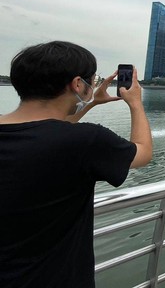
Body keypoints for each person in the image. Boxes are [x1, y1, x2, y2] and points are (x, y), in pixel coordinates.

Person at [0, 41, 152, 288]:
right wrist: (135, 103)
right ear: (78, 84)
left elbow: (51, 127)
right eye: (92, 81)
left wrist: (91, 103)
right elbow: (142, 153)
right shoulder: (87, 140)